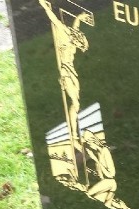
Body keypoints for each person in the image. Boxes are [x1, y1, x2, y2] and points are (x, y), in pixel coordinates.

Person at [39, 0, 91, 154]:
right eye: (78, 44)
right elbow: (54, 19)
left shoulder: (73, 35)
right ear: (75, 39)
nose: (77, 46)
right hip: (65, 71)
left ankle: (74, 134)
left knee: (77, 104)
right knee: (75, 102)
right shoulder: (63, 32)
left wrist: (79, 18)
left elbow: (76, 27)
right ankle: (73, 137)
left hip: (72, 71)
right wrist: (45, 6)